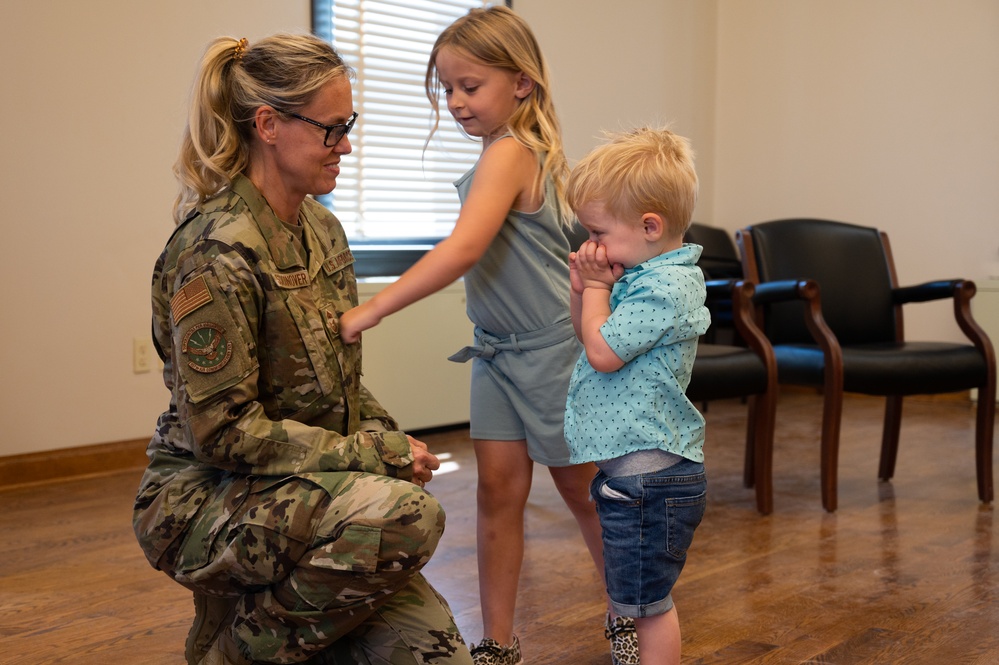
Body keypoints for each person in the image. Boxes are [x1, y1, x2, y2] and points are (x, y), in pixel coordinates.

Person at [132, 34, 473, 665]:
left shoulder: (322, 229)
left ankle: (269, 616)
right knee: (403, 516)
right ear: (268, 124)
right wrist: (376, 457)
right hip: (208, 498)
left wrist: (390, 440)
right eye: (331, 128)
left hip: (309, 489)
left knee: (436, 656)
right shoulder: (216, 253)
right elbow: (222, 431)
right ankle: (237, 649)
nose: (347, 144)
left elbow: (342, 385)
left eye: (350, 124)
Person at [339, 7, 624, 665]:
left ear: (520, 82)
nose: (456, 101)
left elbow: (466, 247)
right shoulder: (510, 154)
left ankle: (631, 616)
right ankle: (496, 642)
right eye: (446, 88)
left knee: (584, 495)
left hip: (552, 353)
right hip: (494, 355)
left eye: (470, 85)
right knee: (497, 496)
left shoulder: (513, 151)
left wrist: (372, 308)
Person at [563, 126, 711, 665]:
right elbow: (591, 334)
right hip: (633, 477)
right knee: (636, 601)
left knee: (649, 607)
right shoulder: (640, 275)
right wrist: (586, 288)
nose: (591, 244)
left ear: (650, 226)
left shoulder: (666, 287)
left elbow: (602, 353)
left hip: (651, 480)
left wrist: (598, 289)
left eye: (598, 230)